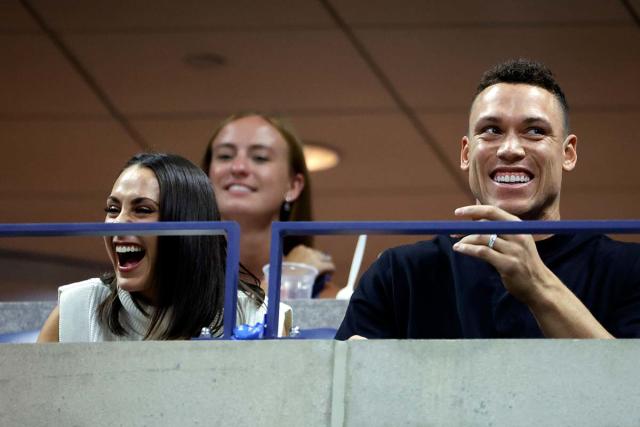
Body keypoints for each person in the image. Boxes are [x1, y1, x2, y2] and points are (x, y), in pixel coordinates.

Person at [336, 59, 640, 340]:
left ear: (568, 153)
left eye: (534, 131)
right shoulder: (401, 275)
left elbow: (629, 390)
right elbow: (340, 390)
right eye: (491, 130)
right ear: (467, 153)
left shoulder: (628, 269)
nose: (510, 148)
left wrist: (538, 284)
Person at [37, 153, 277, 342]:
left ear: (190, 228)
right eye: (113, 209)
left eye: (142, 210)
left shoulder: (256, 316)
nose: (118, 224)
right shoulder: (74, 309)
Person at [202, 112, 338, 297]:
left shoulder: (322, 294)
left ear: (293, 186)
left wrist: (294, 278)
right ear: (207, 178)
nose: (238, 167)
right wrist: (284, 279)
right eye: (225, 156)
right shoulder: (172, 281)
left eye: (260, 157)